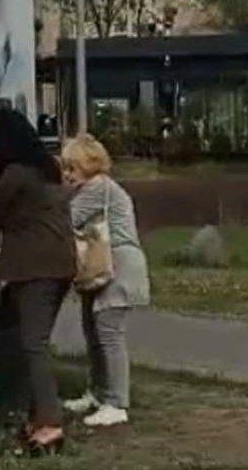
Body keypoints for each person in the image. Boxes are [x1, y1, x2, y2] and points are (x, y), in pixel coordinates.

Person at [0, 108, 75, 451]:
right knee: (34, 340)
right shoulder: (46, 169)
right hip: (62, 263)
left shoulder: (14, 175)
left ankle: (50, 425)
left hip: (35, 268)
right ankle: (37, 417)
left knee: (33, 344)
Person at [61, 134, 151, 427]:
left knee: (109, 334)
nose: (67, 175)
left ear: (89, 165)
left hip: (118, 265)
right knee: (94, 332)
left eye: (72, 168)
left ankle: (117, 402)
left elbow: (66, 220)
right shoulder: (98, 188)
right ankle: (99, 393)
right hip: (104, 265)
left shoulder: (97, 187)